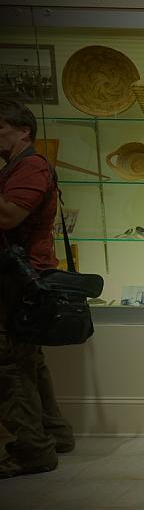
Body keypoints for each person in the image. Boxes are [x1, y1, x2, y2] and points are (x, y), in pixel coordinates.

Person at [0, 100, 75, 478]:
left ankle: (32, 449)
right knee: (27, 359)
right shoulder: (21, 166)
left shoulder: (30, 166)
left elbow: (9, 215)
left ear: (23, 131)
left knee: (10, 365)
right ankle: (53, 433)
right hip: (21, 276)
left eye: (0, 128)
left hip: (20, 276)